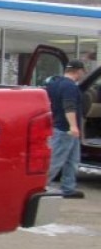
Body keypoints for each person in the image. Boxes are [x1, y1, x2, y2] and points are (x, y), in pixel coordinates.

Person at [46, 59, 88, 198]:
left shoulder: (54, 84)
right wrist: (73, 126)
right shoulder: (70, 87)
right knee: (55, 161)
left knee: (72, 160)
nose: (83, 74)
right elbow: (69, 106)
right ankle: (40, 185)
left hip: (61, 127)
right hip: (65, 129)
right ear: (79, 71)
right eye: (83, 71)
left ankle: (68, 188)